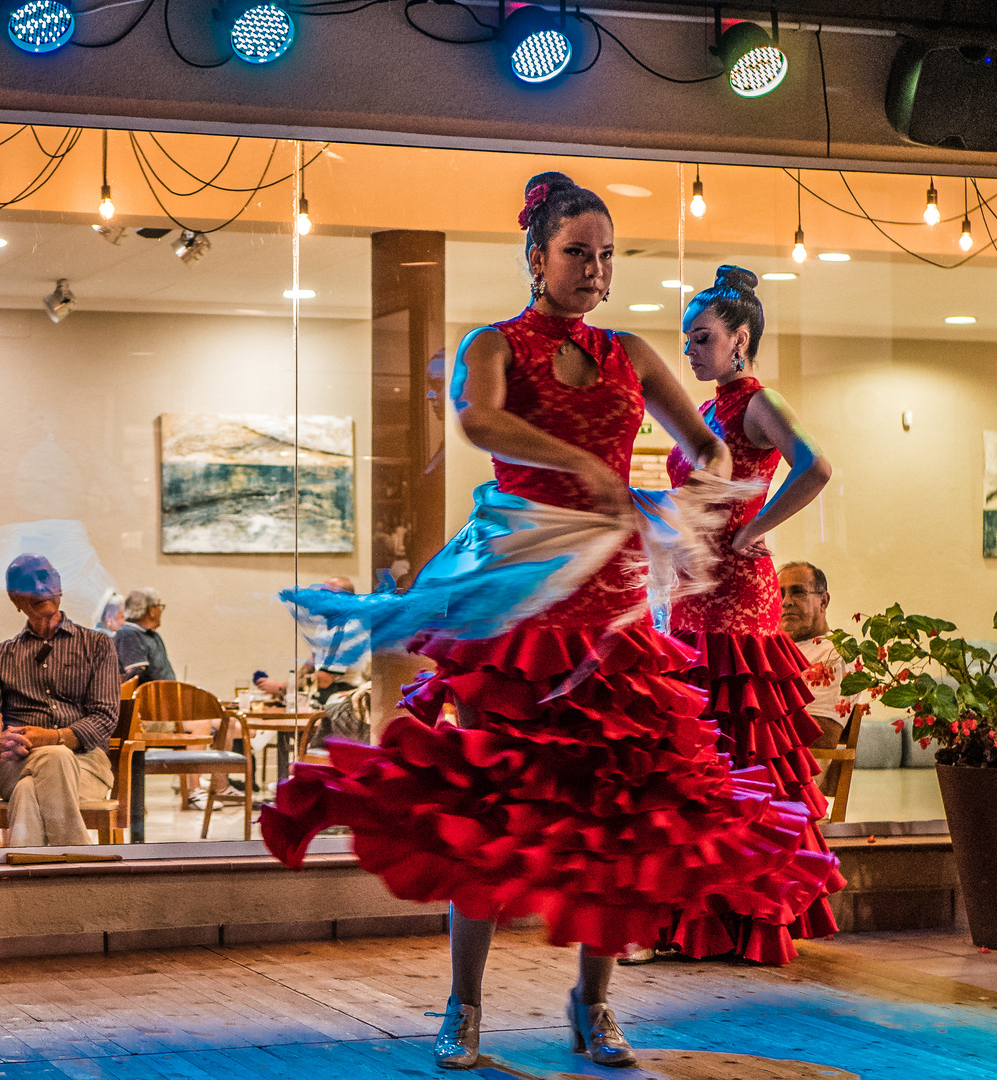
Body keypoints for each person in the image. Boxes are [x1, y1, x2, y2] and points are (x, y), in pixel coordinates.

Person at [260, 175, 839, 1070]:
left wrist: (694, 504)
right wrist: (584, 465)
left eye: (606, 256)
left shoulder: (633, 353)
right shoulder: (495, 345)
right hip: (526, 598)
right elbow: (479, 419)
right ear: (537, 257)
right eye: (578, 253)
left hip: (611, 608)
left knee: (622, 813)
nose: (595, 271)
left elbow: (711, 447)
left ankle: (596, 1005)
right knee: (492, 807)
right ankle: (465, 1007)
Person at [663, 265, 843, 963]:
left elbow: (818, 467)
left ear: (739, 339)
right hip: (694, 589)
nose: (690, 350)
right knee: (700, 746)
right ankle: (696, 913)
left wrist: (751, 528)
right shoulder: (709, 410)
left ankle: (749, 915)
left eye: (701, 337)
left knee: (743, 745)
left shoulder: (754, 401)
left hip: (737, 594)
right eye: (686, 339)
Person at [0, 555, 118, 847]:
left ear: (58, 585)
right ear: (14, 599)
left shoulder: (97, 645)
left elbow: (105, 717)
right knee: (53, 759)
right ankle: (79, 863)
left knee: (30, 789)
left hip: (87, 765)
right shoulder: (0, 656)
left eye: (45, 577)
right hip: (16, 762)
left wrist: (55, 737)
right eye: (26, 584)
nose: (39, 587)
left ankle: (24, 876)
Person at [779, 561, 859, 796]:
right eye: (780, 593)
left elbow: (822, 738)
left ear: (823, 601)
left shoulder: (834, 654)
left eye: (797, 591)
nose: (786, 602)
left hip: (793, 782)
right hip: (763, 769)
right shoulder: (777, 648)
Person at [114, 587, 175, 684]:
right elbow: (136, 676)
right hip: (149, 697)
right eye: (159, 606)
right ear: (151, 610)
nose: (161, 610)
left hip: (164, 696)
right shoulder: (128, 635)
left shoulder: (153, 635)